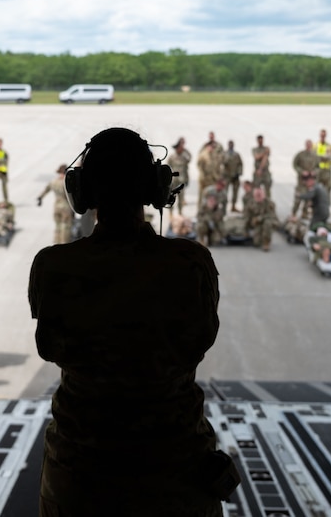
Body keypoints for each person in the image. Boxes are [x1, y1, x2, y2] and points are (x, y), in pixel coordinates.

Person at [28, 127, 237, 515]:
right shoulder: (190, 263)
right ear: (156, 188)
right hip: (175, 476)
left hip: (80, 480)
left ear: (82, 191)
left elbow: (51, 347)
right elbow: (200, 338)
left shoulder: (53, 266)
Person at [37, 164, 75, 244]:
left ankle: (57, 243)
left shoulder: (53, 182)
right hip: (66, 207)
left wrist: (40, 198)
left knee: (58, 226)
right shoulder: (66, 183)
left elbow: (46, 190)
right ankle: (64, 243)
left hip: (56, 207)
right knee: (66, 227)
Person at [242, 184, 277, 252]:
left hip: (267, 221)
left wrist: (260, 218)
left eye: (260, 195)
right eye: (256, 195)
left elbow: (271, 215)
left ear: (263, 195)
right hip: (256, 223)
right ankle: (260, 237)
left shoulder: (269, 203)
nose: (258, 197)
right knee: (256, 243)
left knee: (267, 223)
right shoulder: (251, 203)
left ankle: (266, 242)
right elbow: (247, 216)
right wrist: (245, 230)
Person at [291, 140, 320, 216]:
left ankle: (304, 213)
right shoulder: (300, 154)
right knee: (298, 198)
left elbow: (318, 167)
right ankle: (294, 213)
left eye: (310, 145)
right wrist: (301, 171)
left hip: (310, 181)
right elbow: (295, 165)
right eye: (307, 145)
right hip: (301, 181)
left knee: (308, 198)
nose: (308, 146)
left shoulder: (315, 156)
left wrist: (314, 172)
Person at [165, 137, 191, 215]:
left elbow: (190, 158)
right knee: (171, 196)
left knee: (181, 197)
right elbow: (168, 168)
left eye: (181, 148)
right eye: (179, 148)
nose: (180, 149)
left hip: (181, 181)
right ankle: (171, 213)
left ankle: (180, 212)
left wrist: (185, 149)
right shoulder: (172, 157)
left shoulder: (184, 157)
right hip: (173, 181)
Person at [222, 140, 243, 211]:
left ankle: (233, 206)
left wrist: (239, 173)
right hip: (226, 176)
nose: (231, 145)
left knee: (235, 192)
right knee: (225, 191)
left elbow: (240, 164)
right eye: (229, 144)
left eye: (232, 144)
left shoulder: (237, 154)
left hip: (235, 176)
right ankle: (223, 207)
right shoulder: (224, 154)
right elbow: (221, 163)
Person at [315, 128, 331, 196]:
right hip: (318, 170)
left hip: (326, 171)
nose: (323, 136)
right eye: (321, 135)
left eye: (324, 135)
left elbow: (329, 157)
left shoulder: (329, 146)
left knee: (328, 188)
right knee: (315, 188)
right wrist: (323, 157)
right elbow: (314, 157)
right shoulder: (316, 145)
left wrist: (320, 157)